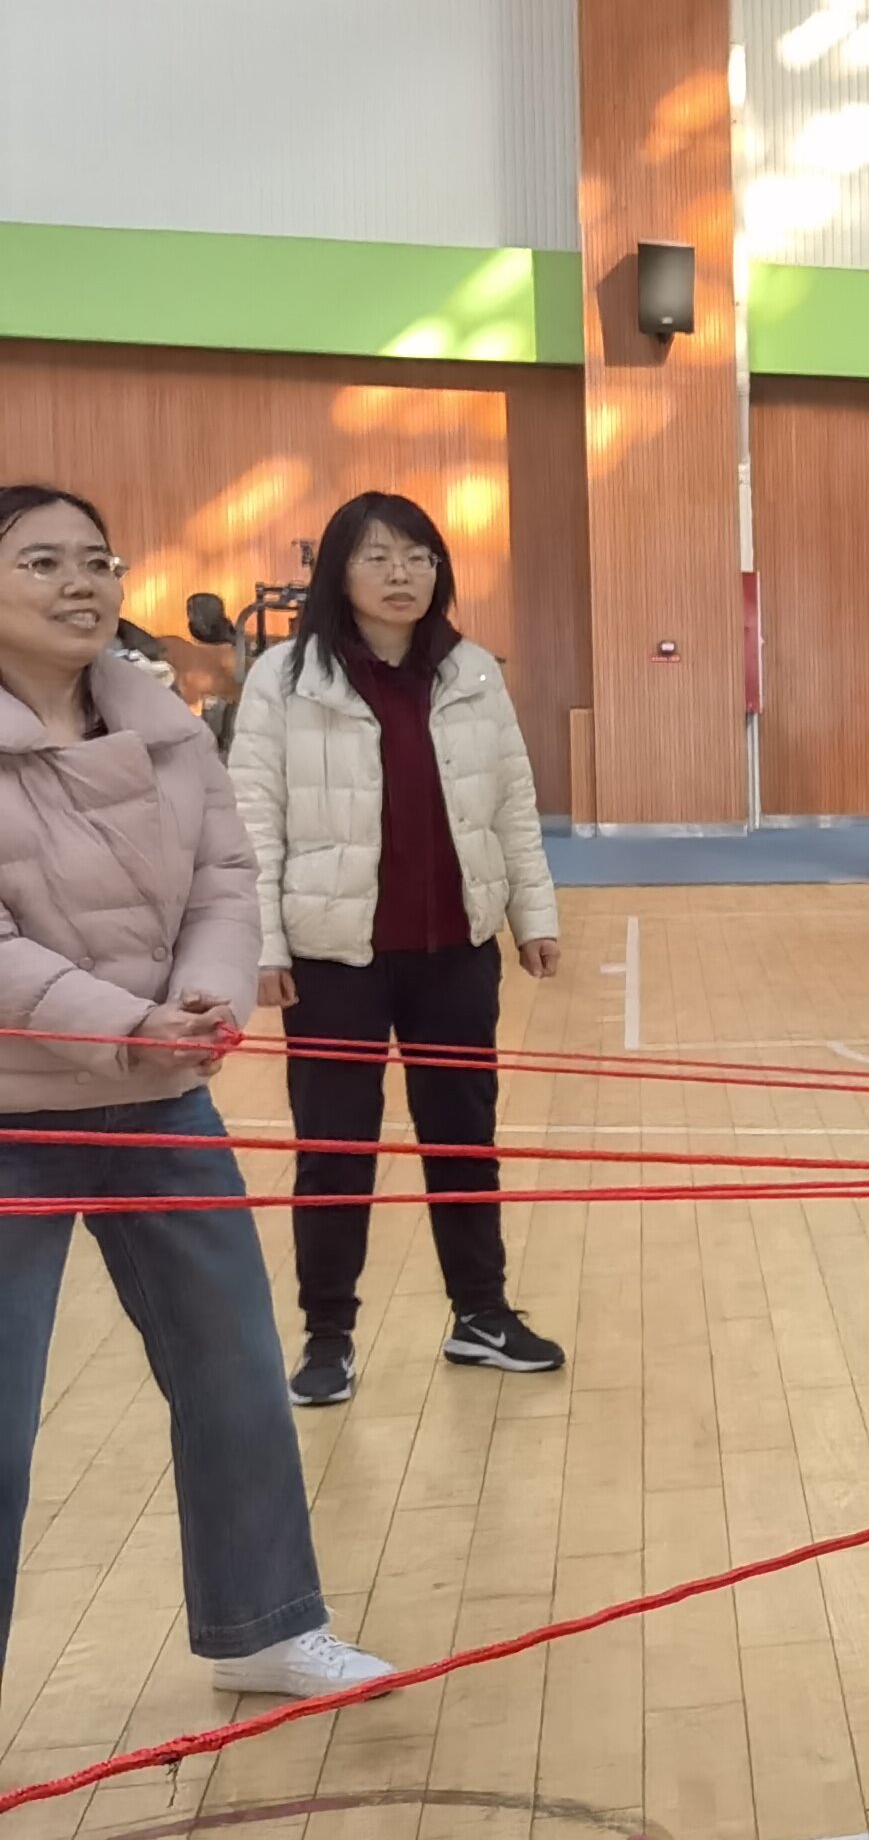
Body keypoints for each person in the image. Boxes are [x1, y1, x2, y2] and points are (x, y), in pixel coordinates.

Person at [0, 485, 390, 1703]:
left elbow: (225, 878)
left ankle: (265, 1625)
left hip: (161, 1096)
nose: (81, 583)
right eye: (40, 561)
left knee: (235, 1378)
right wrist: (125, 1023)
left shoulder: (162, 718)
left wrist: (201, 1002)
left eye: (97, 560)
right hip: (15, 1114)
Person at [225, 492, 566, 1408]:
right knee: (334, 1150)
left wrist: (532, 916)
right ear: (338, 571)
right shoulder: (285, 678)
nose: (401, 574)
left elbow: (512, 801)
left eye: (418, 556)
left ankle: (481, 1314)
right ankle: (327, 1335)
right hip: (331, 957)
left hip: (454, 950)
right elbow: (250, 819)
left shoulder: (471, 671)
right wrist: (261, 943)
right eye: (376, 557)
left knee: (465, 1140)